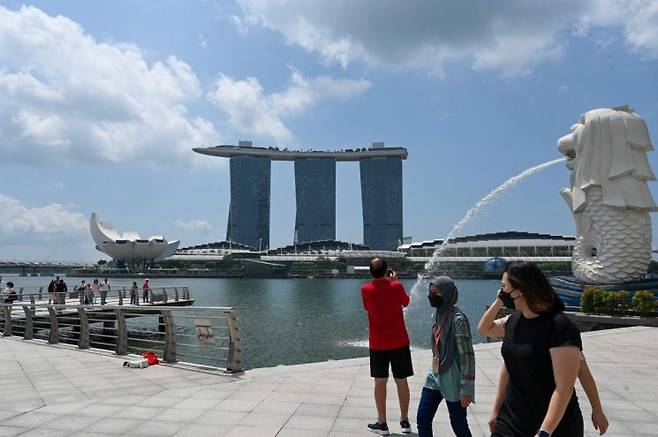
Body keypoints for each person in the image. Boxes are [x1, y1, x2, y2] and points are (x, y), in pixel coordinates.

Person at [477, 261, 584, 437]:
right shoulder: (513, 321)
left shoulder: (559, 326)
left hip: (553, 424)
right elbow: (484, 329)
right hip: (511, 419)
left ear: (521, 290)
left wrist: (544, 432)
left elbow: (564, 387)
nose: (502, 292)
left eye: (504, 287)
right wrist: (499, 300)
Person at [417, 276, 475, 437]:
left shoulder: (458, 319)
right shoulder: (437, 314)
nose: (431, 296)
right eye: (430, 292)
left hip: (454, 378)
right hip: (435, 374)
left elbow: (467, 356)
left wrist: (467, 390)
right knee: (422, 419)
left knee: (458, 424)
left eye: (436, 293)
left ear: (447, 294)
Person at [361, 258, 413, 435]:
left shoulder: (365, 289)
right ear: (386, 272)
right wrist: (394, 281)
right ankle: (405, 421)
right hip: (399, 342)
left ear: (370, 272)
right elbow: (406, 302)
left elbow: (367, 307)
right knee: (402, 381)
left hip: (378, 344)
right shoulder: (396, 286)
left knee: (380, 383)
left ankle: (382, 423)